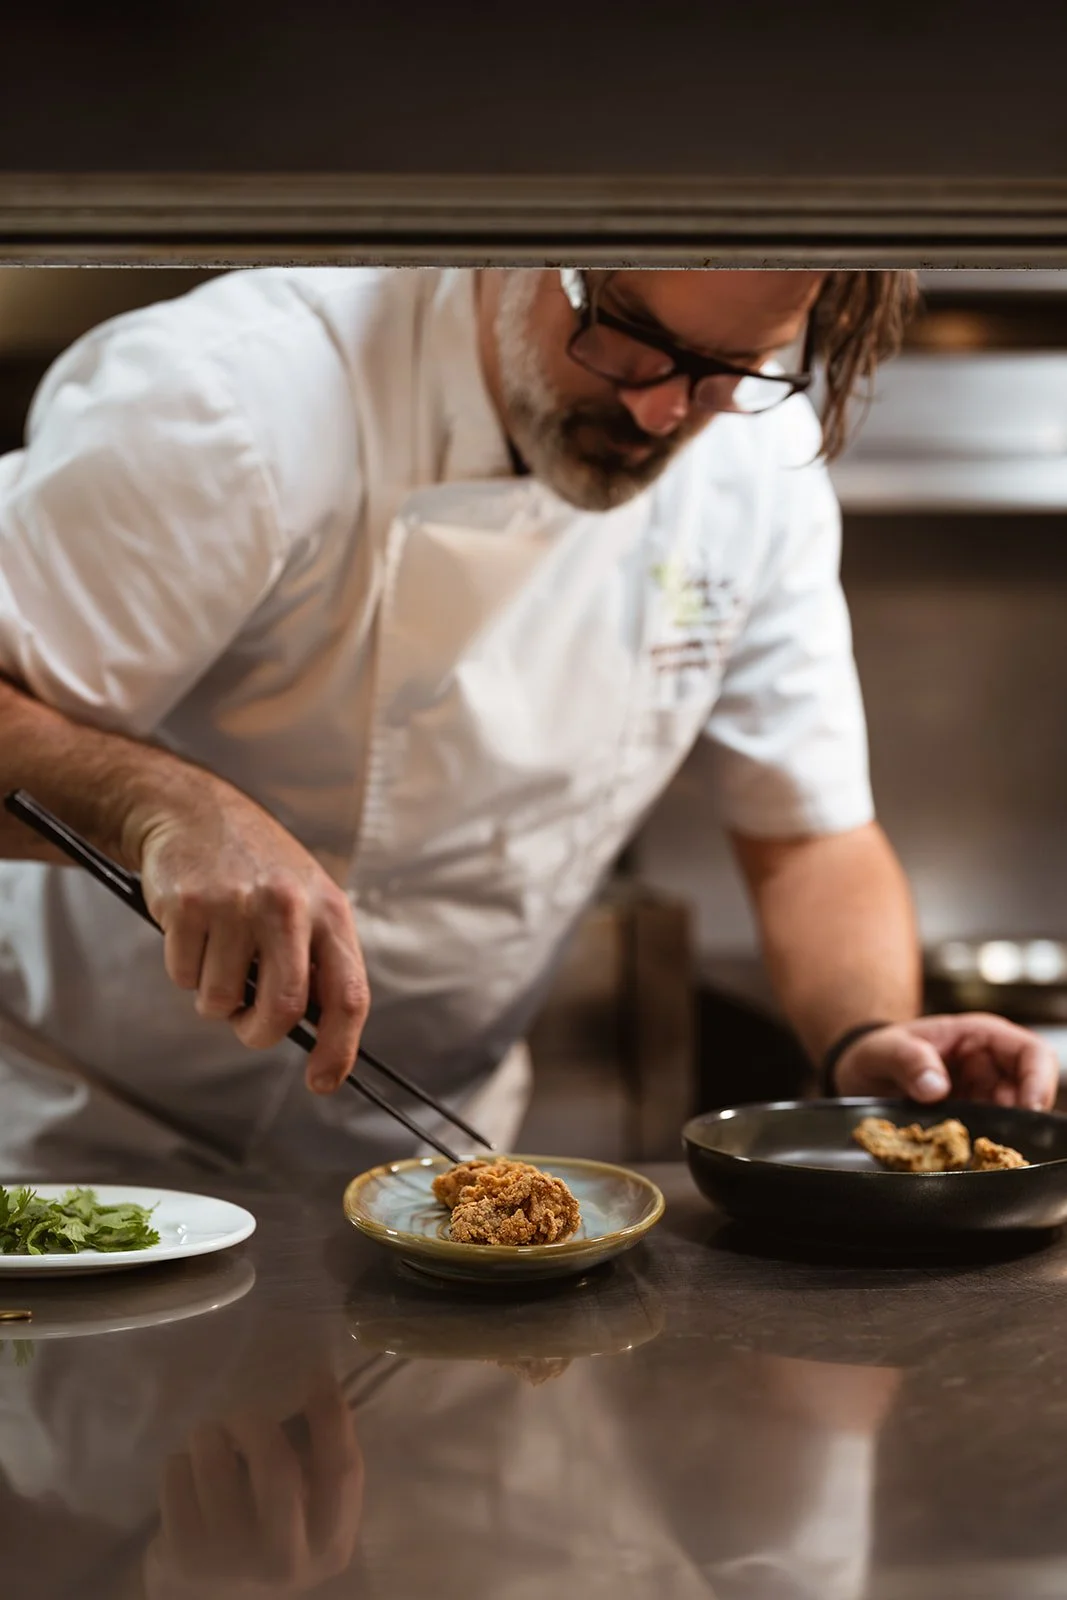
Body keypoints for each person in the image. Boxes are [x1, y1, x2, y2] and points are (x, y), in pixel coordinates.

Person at [0, 266, 1055, 1175]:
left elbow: (807, 834)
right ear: (511, 249)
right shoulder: (232, 397)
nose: (662, 412)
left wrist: (865, 1041)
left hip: (430, 1154)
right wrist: (161, 805)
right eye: (632, 341)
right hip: (86, 1134)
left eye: (734, 366)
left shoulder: (750, 467)